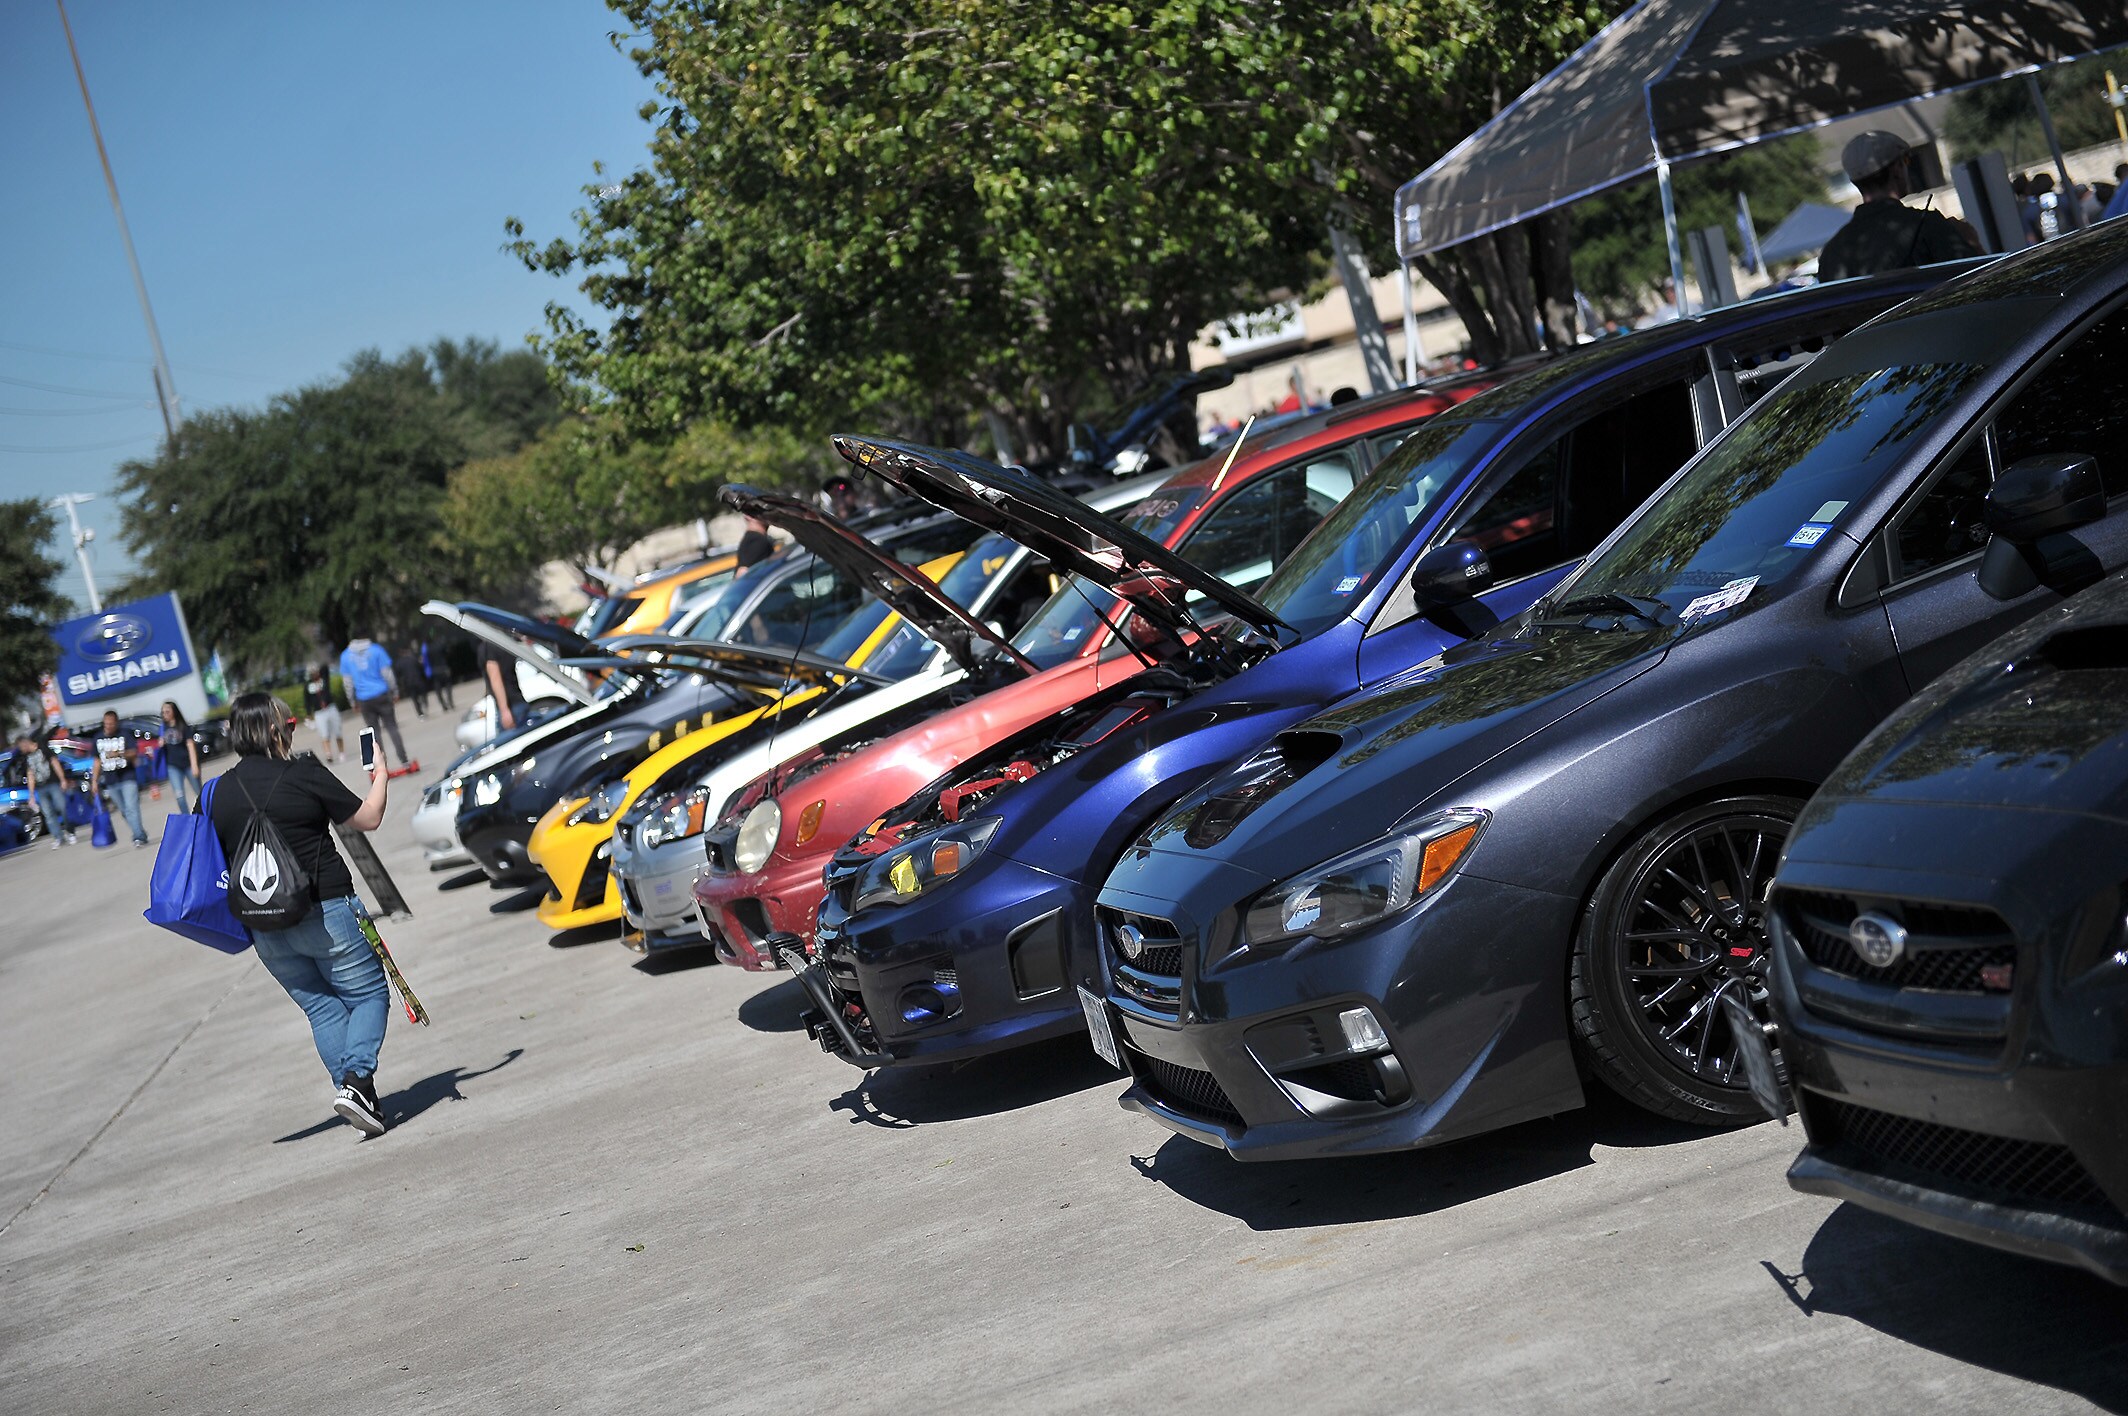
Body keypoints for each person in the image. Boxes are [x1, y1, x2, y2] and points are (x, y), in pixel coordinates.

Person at [206, 692, 394, 1135]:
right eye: (289, 726)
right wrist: (380, 776)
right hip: (326, 912)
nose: (293, 732)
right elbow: (368, 818)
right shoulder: (304, 773)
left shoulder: (216, 793)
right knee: (369, 996)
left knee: (323, 1010)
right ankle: (356, 1082)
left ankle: (357, 1098)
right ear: (275, 731)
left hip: (263, 926)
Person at [1819, 132, 1983, 280]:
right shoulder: (1927, 225)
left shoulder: (1831, 253)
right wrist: (1971, 242)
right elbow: (1978, 282)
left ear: (1855, 182)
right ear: (1897, 169)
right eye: (1905, 160)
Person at [338, 634, 416, 775]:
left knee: (374, 733)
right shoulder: (376, 650)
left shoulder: (345, 656)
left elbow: (347, 682)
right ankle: (404, 760)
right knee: (392, 727)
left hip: (364, 699)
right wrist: (395, 691)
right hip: (381, 694)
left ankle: (381, 766)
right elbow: (387, 673)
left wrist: (352, 701)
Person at [90, 710, 149, 848]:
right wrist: (94, 781)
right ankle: (140, 832)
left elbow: (134, 752)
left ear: (116, 723)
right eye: (106, 724)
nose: (108, 726)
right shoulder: (98, 738)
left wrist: (119, 753)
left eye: (111, 724)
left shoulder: (125, 735)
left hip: (127, 776)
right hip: (111, 780)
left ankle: (138, 837)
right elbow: (97, 761)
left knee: (131, 808)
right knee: (123, 811)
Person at [17, 732, 75, 848]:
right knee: (48, 814)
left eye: (21, 747)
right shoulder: (26, 757)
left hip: (53, 783)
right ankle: (58, 837)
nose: (21, 750)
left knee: (62, 807)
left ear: (25, 744)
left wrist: (62, 779)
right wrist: (31, 794)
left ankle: (70, 832)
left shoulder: (42, 748)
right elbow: (30, 775)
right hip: (41, 788)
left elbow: (54, 762)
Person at [158, 700, 202, 813]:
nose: (165, 714)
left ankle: (206, 815)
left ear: (174, 712)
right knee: (179, 796)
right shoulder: (162, 728)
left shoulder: (183, 726)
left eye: (167, 711)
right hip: (173, 765)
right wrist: (160, 743)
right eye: (163, 712)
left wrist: (194, 765)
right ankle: (187, 818)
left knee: (199, 793)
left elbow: (190, 745)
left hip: (187, 763)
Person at [479, 639, 528, 734]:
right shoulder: (503, 641)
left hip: (511, 708)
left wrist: (504, 710)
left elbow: (495, 679)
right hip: (519, 701)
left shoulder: (488, 648)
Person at [304, 662, 345, 762]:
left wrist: (317, 668)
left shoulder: (324, 679)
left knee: (337, 731)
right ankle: (328, 754)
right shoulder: (308, 686)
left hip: (330, 707)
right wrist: (309, 714)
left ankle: (341, 752)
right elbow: (307, 700)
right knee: (324, 734)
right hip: (319, 712)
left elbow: (325, 667)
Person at [418, 638, 454, 710]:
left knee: (438, 689)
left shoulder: (426, 650)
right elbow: (447, 653)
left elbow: (424, 662)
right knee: (448, 686)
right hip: (443, 668)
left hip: (434, 671)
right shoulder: (439, 646)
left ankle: (443, 704)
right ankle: (450, 701)